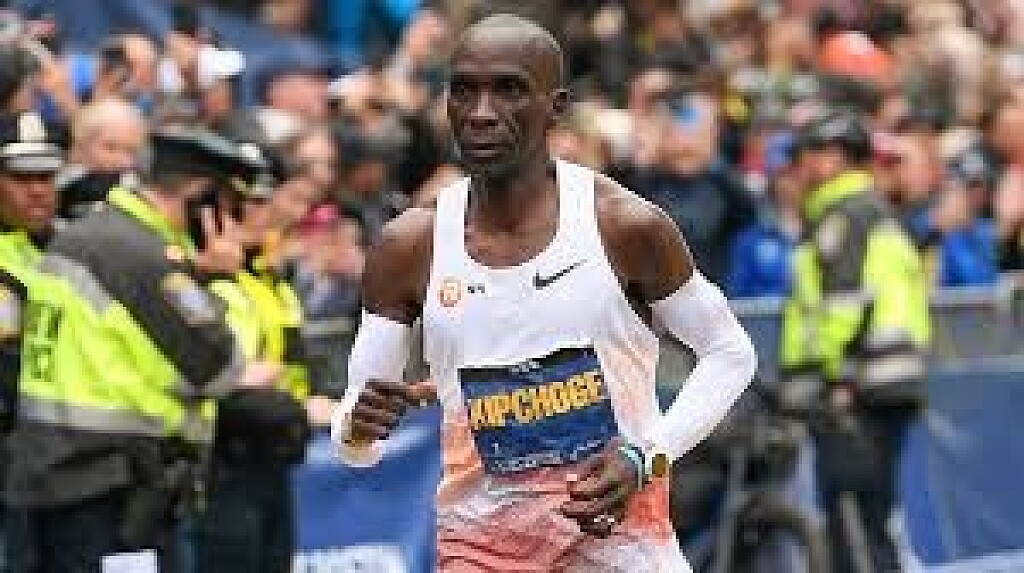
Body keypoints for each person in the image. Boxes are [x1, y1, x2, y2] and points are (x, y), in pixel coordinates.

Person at [331, 15, 757, 572]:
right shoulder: (409, 246)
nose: (482, 112)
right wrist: (356, 427)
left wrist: (645, 456)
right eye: (464, 91)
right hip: (484, 555)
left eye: (509, 90)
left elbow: (731, 353)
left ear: (555, 107)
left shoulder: (624, 227)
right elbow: (356, 441)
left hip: (622, 554)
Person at [4, 127, 276, 572]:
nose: (231, 222)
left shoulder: (91, 237)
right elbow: (220, 365)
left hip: (63, 473)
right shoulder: (142, 257)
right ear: (198, 198)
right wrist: (223, 281)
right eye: (226, 206)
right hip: (113, 485)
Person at [780, 112, 930, 573]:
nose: (799, 169)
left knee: (853, 522)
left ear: (832, 157)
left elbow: (845, 307)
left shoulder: (843, 217)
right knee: (871, 518)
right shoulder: (872, 212)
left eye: (805, 156)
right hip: (882, 385)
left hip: (855, 392)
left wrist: (838, 380)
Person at [200, 146, 314, 573]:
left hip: (273, 449)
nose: (255, 214)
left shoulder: (270, 281)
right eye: (240, 203)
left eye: (262, 201)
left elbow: (290, 364)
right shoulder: (200, 278)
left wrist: (302, 404)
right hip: (220, 458)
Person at [0, 111, 64, 573]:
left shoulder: (64, 247)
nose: (38, 190)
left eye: (46, 177)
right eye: (22, 178)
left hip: (51, 452)